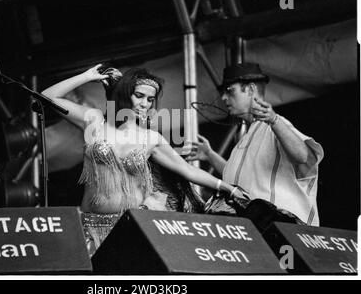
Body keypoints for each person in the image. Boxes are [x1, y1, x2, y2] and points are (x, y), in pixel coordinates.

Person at [42, 64, 243, 255]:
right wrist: (87, 76)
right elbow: (47, 97)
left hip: (133, 224)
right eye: (139, 96)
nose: (145, 104)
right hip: (92, 226)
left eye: (150, 99)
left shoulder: (151, 139)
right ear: (124, 93)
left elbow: (188, 171)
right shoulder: (94, 121)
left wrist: (228, 188)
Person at [187, 62, 324, 226]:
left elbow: (303, 156)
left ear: (251, 89)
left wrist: (274, 120)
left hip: (286, 231)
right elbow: (239, 178)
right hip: (263, 233)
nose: (224, 98)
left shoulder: (275, 126)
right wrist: (210, 155)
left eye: (230, 91)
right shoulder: (247, 137)